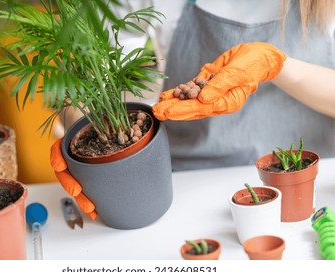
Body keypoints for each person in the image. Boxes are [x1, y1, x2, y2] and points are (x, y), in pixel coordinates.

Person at [51, 0, 335, 217]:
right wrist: (81, 134)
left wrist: (277, 65)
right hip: (185, 186)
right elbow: (82, 76)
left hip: (310, 183)